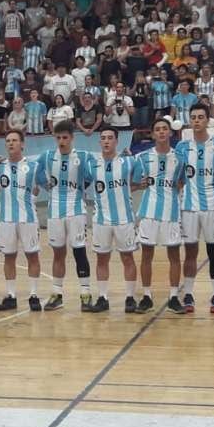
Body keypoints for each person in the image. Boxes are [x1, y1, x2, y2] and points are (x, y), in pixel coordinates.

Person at [35, 120, 94, 311]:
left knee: (79, 251)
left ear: (72, 138)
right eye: (58, 137)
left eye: (65, 137)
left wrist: (81, 187)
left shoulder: (83, 156)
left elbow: (92, 175)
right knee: (58, 253)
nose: (61, 141)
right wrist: (45, 184)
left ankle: (85, 294)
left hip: (76, 210)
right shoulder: (47, 156)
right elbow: (33, 171)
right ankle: (57, 294)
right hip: (54, 212)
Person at [176, 104, 214, 313]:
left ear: (208, 120)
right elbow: (177, 177)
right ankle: (188, 293)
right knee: (190, 251)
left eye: (200, 117)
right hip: (188, 206)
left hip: (213, 205)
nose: (196, 120)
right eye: (193, 117)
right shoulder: (182, 147)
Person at [133, 118, 186, 314]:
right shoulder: (142, 157)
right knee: (147, 255)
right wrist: (140, 184)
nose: (162, 132)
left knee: (174, 256)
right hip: (149, 212)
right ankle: (147, 296)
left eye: (165, 129)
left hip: (171, 213)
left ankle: (173, 297)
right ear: (153, 134)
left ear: (170, 133)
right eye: (158, 129)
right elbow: (133, 183)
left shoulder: (180, 158)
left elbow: (182, 184)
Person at [86, 126, 139, 313]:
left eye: (110, 138)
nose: (106, 141)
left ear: (117, 141)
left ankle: (130, 298)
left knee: (128, 257)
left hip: (124, 220)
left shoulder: (128, 162)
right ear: (100, 142)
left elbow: (139, 182)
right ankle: (103, 298)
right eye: (103, 138)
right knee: (102, 259)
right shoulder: (92, 164)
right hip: (101, 220)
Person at [0, 129, 41, 311]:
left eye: (14, 140)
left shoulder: (33, 166)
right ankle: (11, 296)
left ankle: (34, 295)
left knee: (32, 256)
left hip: (27, 218)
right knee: (9, 257)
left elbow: (39, 187)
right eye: (8, 141)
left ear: (22, 144)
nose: (11, 144)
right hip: (6, 219)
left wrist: (32, 201)